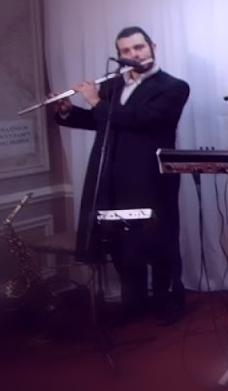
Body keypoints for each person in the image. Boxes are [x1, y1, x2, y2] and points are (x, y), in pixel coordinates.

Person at [54, 26, 190, 325]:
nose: (133, 55)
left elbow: (145, 120)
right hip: (113, 175)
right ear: (119, 55)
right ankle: (134, 301)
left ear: (152, 47)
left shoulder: (174, 87)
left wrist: (95, 102)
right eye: (126, 51)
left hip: (152, 175)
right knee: (123, 242)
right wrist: (68, 111)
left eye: (139, 48)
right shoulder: (113, 86)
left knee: (161, 238)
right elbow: (101, 121)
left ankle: (168, 300)